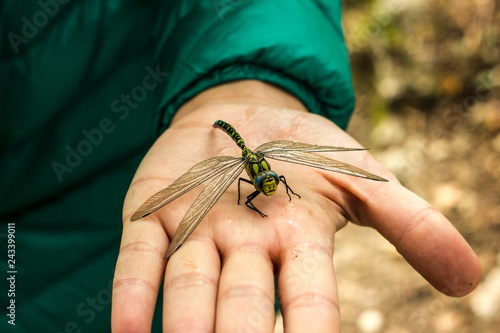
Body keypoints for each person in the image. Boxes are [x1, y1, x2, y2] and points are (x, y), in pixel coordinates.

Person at [0, 1, 481, 332]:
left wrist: (252, 84)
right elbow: (244, 195)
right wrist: (247, 194)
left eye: (269, 180)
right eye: (265, 181)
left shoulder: (273, 173)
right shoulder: (239, 178)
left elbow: (274, 185)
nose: (267, 185)